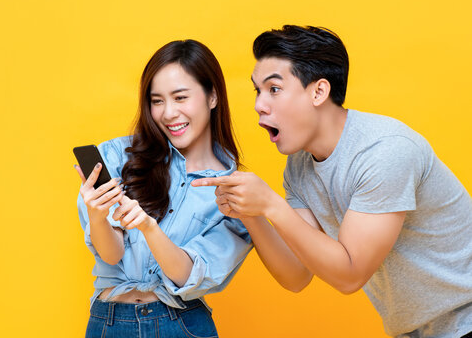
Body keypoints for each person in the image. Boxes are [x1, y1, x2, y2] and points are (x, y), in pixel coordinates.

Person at [192, 25, 472, 338]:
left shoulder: (384, 151)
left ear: (319, 92)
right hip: (416, 330)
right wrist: (251, 214)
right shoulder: (299, 166)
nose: (259, 104)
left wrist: (271, 204)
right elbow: (296, 275)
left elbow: (350, 275)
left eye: (273, 89)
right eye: (258, 91)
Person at [75, 39, 252, 338]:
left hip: (181, 325)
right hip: (110, 323)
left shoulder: (234, 191)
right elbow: (111, 255)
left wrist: (149, 227)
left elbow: (186, 276)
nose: (168, 113)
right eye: (157, 101)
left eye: (180, 97)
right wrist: (96, 216)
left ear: (212, 96)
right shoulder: (118, 156)